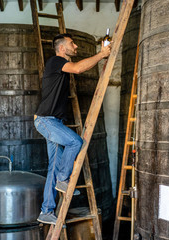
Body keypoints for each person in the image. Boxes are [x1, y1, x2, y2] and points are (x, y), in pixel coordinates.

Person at [34, 33, 111, 225]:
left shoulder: (60, 66)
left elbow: (77, 68)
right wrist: (101, 55)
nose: (75, 46)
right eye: (72, 43)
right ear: (62, 48)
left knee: (53, 166)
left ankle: (46, 211)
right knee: (76, 142)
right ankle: (63, 178)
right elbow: (77, 69)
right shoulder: (55, 61)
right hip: (46, 121)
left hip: (53, 122)